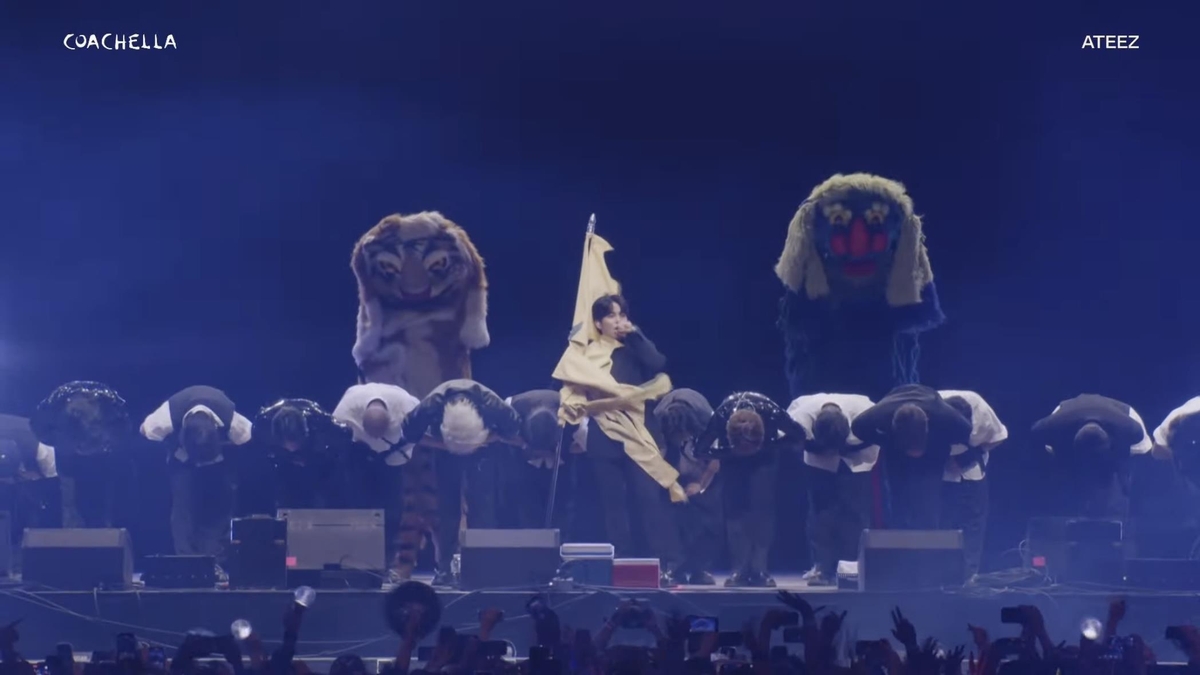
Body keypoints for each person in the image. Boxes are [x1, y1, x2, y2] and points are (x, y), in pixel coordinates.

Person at [562, 294, 686, 587]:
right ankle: (622, 562)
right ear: (598, 322)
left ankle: (669, 563)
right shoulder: (587, 353)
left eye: (622, 314)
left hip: (640, 431)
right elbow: (571, 387)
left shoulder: (635, 347)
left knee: (649, 499)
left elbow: (658, 363)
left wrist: (637, 335)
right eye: (611, 316)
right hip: (604, 436)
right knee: (613, 504)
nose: (618, 320)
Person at [400, 378, 524, 586]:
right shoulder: (430, 406)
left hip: (482, 449)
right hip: (445, 450)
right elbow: (409, 433)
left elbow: (512, 430)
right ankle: (443, 568)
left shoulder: (495, 407)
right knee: (446, 511)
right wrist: (442, 444)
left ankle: (482, 567)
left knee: (482, 509)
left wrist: (484, 439)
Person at [696, 391, 805, 588]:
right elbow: (699, 449)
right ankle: (739, 569)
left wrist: (768, 447)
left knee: (762, 513)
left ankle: (759, 568)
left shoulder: (771, 411)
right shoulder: (721, 415)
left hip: (764, 459)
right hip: (732, 461)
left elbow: (799, 435)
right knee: (735, 514)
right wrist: (729, 453)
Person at [140, 386, 253, 569]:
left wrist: (222, 452)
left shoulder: (231, 420)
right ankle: (187, 563)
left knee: (221, 512)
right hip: (183, 462)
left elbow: (249, 439)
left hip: (219, 463)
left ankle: (216, 563)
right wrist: (174, 447)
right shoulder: (167, 416)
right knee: (182, 512)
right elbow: (144, 432)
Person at [786, 393, 878, 586]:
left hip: (858, 457)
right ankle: (822, 567)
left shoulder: (866, 414)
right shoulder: (799, 418)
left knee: (856, 512)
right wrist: (820, 449)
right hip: (818, 460)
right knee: (821, 513)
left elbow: (875, 438)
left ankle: (853, 566)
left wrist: (845, 448)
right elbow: (794, 443)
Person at [851, 384, 972, 529]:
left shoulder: (940, 412)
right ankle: (900, 539)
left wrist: (938, 440)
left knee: (929, 499)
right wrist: (886, 441)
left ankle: (929, 541)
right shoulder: (884, 411)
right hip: (896, 448)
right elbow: (857, 427)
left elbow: (965, 430)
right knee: (899, 498)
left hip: (933, 447)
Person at [332, 382, 421, 578]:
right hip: (358, 452)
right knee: (358, 506)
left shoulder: (410, 409)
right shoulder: (344, 412)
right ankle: (357, 561)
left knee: (392, 509)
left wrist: (395, 449)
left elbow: (420, 436)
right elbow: (336, 442)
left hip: (395, 450)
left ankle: (386, 563)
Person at [1031, 393, 1152, 519]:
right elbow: (1052, 453)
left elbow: (1139, 456)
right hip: (1070, 458)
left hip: (1118, 457)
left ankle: (1115, 517)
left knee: (1114, 492)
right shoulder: (1055, 424)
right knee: (1067, 492)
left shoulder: (1131, 426)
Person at [31, 381, 131, 529]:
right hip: (71, 462)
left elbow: (118, 430)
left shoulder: (105, 412)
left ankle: (103, 537)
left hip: (97, 465)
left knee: (99, 510)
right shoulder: (62, 415)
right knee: (70, 504)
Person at [653, 387, 722, 585]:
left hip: (702, 463)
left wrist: (700, 485)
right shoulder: (659, 419)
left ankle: (700, 568)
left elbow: (715, 463)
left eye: (683, 434)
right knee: (670, 516)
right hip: (674, 465)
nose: (681, 437)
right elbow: (657, 457)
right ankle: (675, 567)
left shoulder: (708, 420)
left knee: (709, 517)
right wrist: (672, 484)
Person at [937, 390, 1007, 578]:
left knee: (973, 524)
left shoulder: (981, 409)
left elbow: (999, 437)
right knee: (942, 524)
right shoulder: (929, 411)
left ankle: (969, 577)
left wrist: (969, 456)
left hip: (972, 473)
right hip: (939, 476)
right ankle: (940, 576)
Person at [255, 398, 356, 509]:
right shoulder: (261, 427)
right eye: (287, 444)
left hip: (319, 459)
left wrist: (314, 461)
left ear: (305, 433)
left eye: (296, 442)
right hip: (282, 463)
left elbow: (346, 438)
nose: (292, 448)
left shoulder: (324, 424)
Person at [504, 389, 577, 532]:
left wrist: (562, 450)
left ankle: (559, 540)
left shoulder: (572, 409)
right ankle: (531, 541)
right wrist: (525, 445)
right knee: (526, 500)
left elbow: (581, 443)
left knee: (563, 501)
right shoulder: (511, 407)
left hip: (561, 457)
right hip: (526, 458)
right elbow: (502, 435)